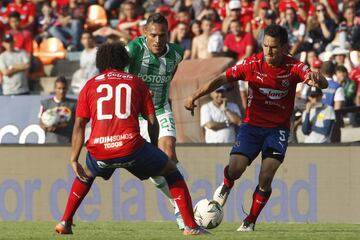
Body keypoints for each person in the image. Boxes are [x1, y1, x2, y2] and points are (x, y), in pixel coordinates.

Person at [184, 24, 328, 232]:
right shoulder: (252, 64)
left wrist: (318, 78)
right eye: (265, 46)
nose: (268, 51)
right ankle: (226, 185)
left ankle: (249, 221)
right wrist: (194, 95)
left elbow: (320, 83)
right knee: (236, 168)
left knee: (266, 176)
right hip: (252, 126)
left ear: (284, 47)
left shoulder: (294, 67)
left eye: (274, 47)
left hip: (277, 129)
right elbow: (222, 79)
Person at [54, 42, 208, 236]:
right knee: (170, 169)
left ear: (100, 61)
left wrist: (73, 158)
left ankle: (65, 221)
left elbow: (79, 126)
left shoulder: (90, 85)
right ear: (124, 60)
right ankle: (190, 226)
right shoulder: (135, 82)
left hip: (100, 149)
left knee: (86, 173)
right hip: (131, 147)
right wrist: (153, 148)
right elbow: (152, 120)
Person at [125, 13, 186, 230]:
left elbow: (170, 76)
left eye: (162, 35)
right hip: (135, 116)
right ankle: (175, 200)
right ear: (144, 34)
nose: (158, 40)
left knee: (168, 154)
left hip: (160, 109)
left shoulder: (177, 54)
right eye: (153, 35)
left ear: (168, 34)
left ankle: (182, 209)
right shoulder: (133, 50)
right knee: (153, 168)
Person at [39, 76, 76, 144]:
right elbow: (41, 122)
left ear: (67, 88)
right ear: (55, 89)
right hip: (50, 141)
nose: (61, 91)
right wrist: (47, 127)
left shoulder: (74, 104)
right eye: (59, 88)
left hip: (68, 142)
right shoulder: (46, 103)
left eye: (64, 88)